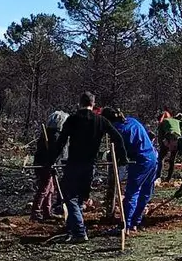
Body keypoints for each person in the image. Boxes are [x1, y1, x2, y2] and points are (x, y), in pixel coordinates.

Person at [48, 92, 128, 243]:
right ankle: (72, 229)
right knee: (79, 199)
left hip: (74, 164)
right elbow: (117, 137)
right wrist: (123, 157)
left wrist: (51, 159)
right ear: (93, 103)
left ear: (79, 103)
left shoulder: (72, 120)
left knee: (69, 197)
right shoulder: (100, 120)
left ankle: (79, 231)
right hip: (90, 165)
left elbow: (61, 141)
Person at [102, 108, 159, 233]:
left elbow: (121, 152)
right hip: (153, 157)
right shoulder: (131, 121)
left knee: (132, 193)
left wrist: (114, 157)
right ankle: (135, 222)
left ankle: (125, 226)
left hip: (140, 161)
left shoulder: (118, 130)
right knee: (145, 193)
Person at [30, 110, 68, 221]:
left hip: (46, 163)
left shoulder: (50, 133)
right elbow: (54, 152)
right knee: (45, 188)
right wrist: (52, 163)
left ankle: (47, 211)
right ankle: (36, 212)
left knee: (50, 188)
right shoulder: (54, 135)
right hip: (45, 164)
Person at [156, 111, 182, 184]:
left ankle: (158, 177)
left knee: (161, 158)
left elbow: (160, 136)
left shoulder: (163, 122)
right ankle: (168, 178)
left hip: (169, 137)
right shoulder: (176, 120)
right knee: (172, 159)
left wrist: (162, 145)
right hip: (177, 139)